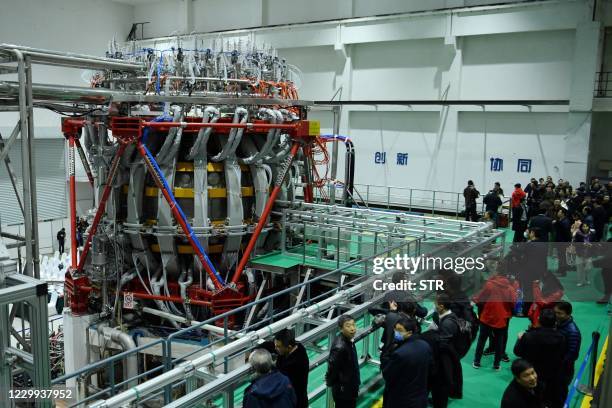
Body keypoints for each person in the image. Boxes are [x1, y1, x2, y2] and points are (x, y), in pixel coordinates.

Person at [513, 309, 567, 408]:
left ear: (539, 320)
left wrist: (519, 338)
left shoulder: (528, 336)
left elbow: (517, 352)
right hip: (552, 375)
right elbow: (562, 355)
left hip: (532, 374)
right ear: (555, 322)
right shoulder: (561, 337)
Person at [381, 317, 433, 408]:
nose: (396, 332)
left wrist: (386, 355)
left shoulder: (400, 353)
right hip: (420, 397)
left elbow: (387, 374)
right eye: (395, 329)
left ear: (409, 332)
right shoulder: (425, 345)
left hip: (401, 399)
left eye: (399, 330)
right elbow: (431, 370)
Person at [472, 270, 517, 370]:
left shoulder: (489, 284)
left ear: (497, 274)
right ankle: (496, 364)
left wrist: (475, 299)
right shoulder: (510, 288)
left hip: (487, 316)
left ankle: (477, 362)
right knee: (499, 341)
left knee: (482, 340)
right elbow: (513, 303)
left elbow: (481, 298)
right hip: (501, 318)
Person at [431, 294, 463, 407]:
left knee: (441, 389)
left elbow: (443, 345)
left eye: (435, 304)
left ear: (441, 306)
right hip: (444, 361)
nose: (434, 306)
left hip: (444, 363)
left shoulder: (448, 324)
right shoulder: (444, 318)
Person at [326, 314, 360, 408]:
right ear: (341, 329)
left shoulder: (349, 340)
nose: (352, 328)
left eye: (353, 325)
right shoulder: (340, 347)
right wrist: (329, 381)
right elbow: (332, 367)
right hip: (344, 391)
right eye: (348, 326)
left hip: (350, 386)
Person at [272, 329, 309, 408]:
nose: (275, 348)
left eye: (278, 346)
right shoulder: (293, 347)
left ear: (289, 347)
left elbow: (279, 379)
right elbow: (270, 345)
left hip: (295, 403)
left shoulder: (297, 363)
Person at [554, 301, 582, 404]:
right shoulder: (558, 324)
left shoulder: (573, 332)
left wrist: (558, 364)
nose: (556, 315)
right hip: (555, 368)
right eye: (555, 312)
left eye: (559, 313)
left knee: (559, 396)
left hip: (563, 370)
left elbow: (573, 354)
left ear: (568, 314)